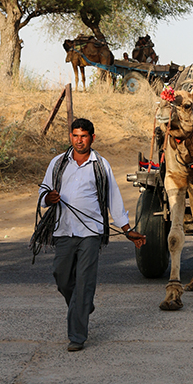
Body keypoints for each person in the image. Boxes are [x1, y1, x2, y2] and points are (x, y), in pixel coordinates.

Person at [39, 118, 146, 352]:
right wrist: (49, 198)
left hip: (91, 233)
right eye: (75, 136)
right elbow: (43, 191)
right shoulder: (58, 163)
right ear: (70, 137)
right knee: (61, 276)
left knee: (85, 282)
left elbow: (114, 198)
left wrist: (127, 230)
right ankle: (83, 306)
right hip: (63, 230)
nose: (79, 140)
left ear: (92, 138)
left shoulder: (101, 165)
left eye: (84, 136)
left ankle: (77, 336)